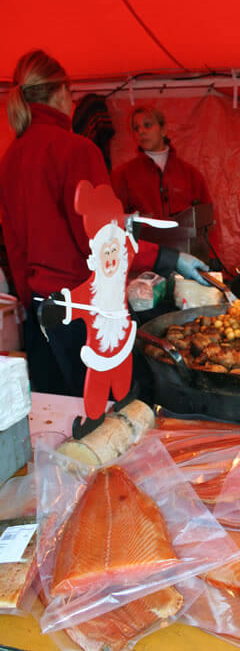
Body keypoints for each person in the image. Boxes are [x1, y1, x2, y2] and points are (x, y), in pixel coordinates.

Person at [0, 50, 208, 399]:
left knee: (56, 418)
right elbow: (103, 243)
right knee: (107, 416)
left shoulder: (11, 156)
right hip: (83, 312)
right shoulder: (77, 149)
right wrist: (169, 259)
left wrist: (30, 299)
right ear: (62, 92)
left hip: (39, 310)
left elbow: (13, 244)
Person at [111, 105, 211, 218]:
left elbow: (207, 222)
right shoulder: (124, 175)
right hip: (142, 236)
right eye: (136, 128)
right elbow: (115, 221)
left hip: (183, 236)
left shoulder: (190, 175)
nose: (141, 131)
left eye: (147, 125)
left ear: (163, 129)